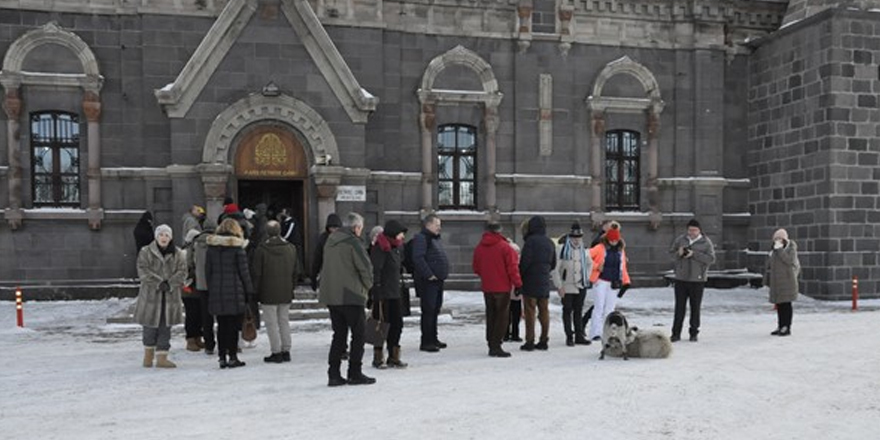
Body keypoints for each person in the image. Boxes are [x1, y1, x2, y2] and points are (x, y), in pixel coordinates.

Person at [319, 212, 375, 386]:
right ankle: (354, 372)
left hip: (332, 295)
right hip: (351, 294)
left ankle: (333, 373)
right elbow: (365, 269)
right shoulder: (353, 243)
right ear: (356, 227)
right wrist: (368, 287)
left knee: (339, 335)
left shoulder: (330, 241)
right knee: (358, 335)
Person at [134, 224, 187, 368]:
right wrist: (158, 283)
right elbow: (143, 271)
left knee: (165, 326)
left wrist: (170, 283)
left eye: (167, 235)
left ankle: (162, 357)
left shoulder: (178, 253)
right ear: (156, 237)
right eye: (161, 235)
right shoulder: (146, 251)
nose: (164, 238)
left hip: (170, 297)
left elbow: (182, 271)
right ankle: (148, 356)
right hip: (151, 296)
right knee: (149, 326)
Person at [205, 218, 254, 369]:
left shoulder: (211, 249)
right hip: (235, 291)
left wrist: (212, 287)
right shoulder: (237, 249)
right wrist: (249, 291)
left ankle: (221, 357)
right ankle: (232, 357)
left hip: (217, 291)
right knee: (233, 327)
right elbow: (244, 273)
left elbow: (208, 272)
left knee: (221, 325)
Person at [473, 222, 523, 358]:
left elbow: (476, 268)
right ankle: (496, 344)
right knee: (502, 316)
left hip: (487, 286)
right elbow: (513, 268)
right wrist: (518, 284)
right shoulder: (505, 248)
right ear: (499, 231)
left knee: (491, 315)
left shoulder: (479, 247)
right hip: (502, 287)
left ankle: (491, 342)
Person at [253, 220, 300, 363]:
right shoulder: (291, 248)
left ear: (267, 232)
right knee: (284, 321)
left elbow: (257, 273)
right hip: (285, 290)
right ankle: (286, 350)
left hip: (268, 292)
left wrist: (256, 291)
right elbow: (296, 272)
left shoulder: (261, 249)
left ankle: (276, 351)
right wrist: (291, 286)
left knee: (271, 323)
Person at [369, 220, 409, 369]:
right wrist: (376, 289)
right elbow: (376, 270)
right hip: (383, 293)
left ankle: (394, 356)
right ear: (393, 233)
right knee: (380, 325)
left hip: (395, 292)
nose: (402, 236)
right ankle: (378, 357)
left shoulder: (397, 248)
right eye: (400, 233)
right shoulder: (381, 247)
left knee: (397, 324)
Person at [668, 218, 715, 342]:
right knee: (679, 307)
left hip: (697, 279)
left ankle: (693, 332)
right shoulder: (680, 240)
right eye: (690, 230)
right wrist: (679, 253)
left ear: (699, 230)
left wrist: (693, 254)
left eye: (694, 230)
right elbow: (670, 254)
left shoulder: (706, 242)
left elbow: (711, 259)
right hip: (681, 278)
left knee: (695, 307)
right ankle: (675, 333)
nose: (692, 232)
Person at [412, 214, 450, 352]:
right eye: (436, 224)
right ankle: (426, 341)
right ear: (428, 225)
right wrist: (429, 274)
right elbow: (418, 258)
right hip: (428, 281)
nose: (439, 227)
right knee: (428, 311)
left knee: (435, 310)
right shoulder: (422, 238)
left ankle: (433, 338)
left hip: (437, 280)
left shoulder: (434, 238)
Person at [518, 215, 556, 351]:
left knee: (530, 312)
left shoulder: (530, 242)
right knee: (544, 312)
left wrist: (519, 277)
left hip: (530, 282)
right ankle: (544, 340)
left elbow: (524, 263)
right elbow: (553, 263)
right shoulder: (550, 242)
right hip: (544, 281)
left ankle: (530, 341)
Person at [552, 222, 593, 346]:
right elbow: (555, 269)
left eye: (579, 237)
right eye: (574, 238)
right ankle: (569, 336)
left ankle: (579, 335)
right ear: (570, 237)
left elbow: (589, 264)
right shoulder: (561, 249)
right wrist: (559, 285)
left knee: (578, 310)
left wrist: (586, 277)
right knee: (567, 310)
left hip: (580, 284)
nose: (576, 240)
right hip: (567, 285)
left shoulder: (584, 250)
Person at [588, 225, 631, 341]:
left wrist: (626, 281)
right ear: (607, 239)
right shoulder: (600, 248)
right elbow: (586, 256)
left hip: (614, 282)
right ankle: (595, 333)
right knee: (599, 307)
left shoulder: (621, 250)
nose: (613, 242)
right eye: (611, 240)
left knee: (610, 309)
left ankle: (606, 332)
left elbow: (623, 267)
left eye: (615, 240)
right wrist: (597, 266)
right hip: (600, 281)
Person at [187, 221, 217, 354]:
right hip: (217, 283)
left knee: (206, 315)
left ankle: (209, 344)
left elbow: (189, 262)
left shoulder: (195, 242)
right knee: (221, 315)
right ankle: (224, 343)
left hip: (201, 283)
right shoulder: (217, 241)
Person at [765, 229, 799, 337]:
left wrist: (780, 251)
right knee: (779, 305)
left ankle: (786, 326)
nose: (777, 241)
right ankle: (780, 326)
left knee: (786, 305)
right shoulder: (774, 250)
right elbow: (770, 265)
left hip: (788, 282)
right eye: (775, 239)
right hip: (777, 283)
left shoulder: (791, 248)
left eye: (779, 239)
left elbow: (789, 261)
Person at [181, 229, 205, 352]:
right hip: (188, 288)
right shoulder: (184, 253)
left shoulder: (197, 251)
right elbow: (183, 271)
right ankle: (190, 338)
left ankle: (197, 336)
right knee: (191, 314)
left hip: (197, 287)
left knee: (199, 313)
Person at [310, 213, 343, 291]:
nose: (334, 230)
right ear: (328, 227)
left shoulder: (344, 238)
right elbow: (317, 259)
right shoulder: (323, 239)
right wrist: (313, 278)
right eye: (332, 227)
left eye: (336, 227)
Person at [505, 236, 523, 342]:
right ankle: (515, 334)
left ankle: (506, 333)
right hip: (516, 286)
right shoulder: (516, 249)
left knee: (506, 313)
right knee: (516, 313)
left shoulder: (505, 250)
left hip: (506, 287)